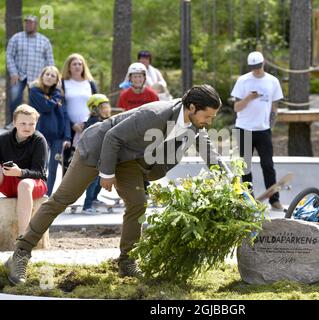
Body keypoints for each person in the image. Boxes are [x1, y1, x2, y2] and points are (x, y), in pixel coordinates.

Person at [4, 84, 231, 285]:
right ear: (192, 107)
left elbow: (208, 151)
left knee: (138, 203)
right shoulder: (155, 114)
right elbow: (113, 137)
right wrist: (107, 173)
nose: (209, 122)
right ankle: (21, 253)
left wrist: (231, 181)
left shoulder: (194, 125)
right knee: (62, 200)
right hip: (98, 148)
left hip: (128, 158)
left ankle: (127, 261)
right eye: (208, 116)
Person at [231, 51, 284, 211]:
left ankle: (274, 200)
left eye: (258, 67)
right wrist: (248, 98)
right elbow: (236, 107)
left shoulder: (272, 81)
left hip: (263, 130)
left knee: (268, 165)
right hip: (244, 128)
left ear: (263, 64)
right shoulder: (243, 81)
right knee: (245, 167)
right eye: (253, 68)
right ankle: (248, 199)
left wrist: (270, 126)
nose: (256, 70)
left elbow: (274, 107)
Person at [0, 105, 48, 237]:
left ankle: (23, 237)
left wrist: (20, 172)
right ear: (14, 123)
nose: (27, 127)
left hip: (34, 185)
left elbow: (39, 172)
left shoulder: (39, 140)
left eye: (31, 124)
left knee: (25, 184)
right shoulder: (3, 139)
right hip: (9, 182)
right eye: (23, 123)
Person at [6, 15, 54, 129]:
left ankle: (35, 124)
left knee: (37, 101)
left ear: (36, 25)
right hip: (20, 75)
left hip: (38, 77)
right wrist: (13, 72)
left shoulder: (44, 41)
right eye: (26, 23)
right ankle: (14, 124)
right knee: (15, 99)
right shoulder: (16, 38)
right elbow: (9, 56)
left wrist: (49, 76)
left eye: (31, 23)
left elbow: (50, 60)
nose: (28, 25)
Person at [29, 66, 71, 196]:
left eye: (53, 76)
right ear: (42, 76)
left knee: (53, 168)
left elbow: (65, 116)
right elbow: (45, 107)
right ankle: (37, 193)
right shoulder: (35, 91)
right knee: (41, 166)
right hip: (41, 135)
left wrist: (67, 137)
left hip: (58, 137)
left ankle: (47, 195)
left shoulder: (59, 96)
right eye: (47, 74)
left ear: (56, 81)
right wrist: (56, 99)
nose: (49, 77)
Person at [61, 53, 97, 174]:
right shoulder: (63, 83)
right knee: (67, 163)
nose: (77, 66)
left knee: (88, 162)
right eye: (74, 64)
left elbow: (97, 106)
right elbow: (61, 107)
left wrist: (86, 123)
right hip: (69, 128)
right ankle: (66, 191)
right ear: (69, 67)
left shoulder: (90, 83)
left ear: (83, 66)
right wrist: (72, 124)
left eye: (80, 64)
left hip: (87, 126)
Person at [81, 94, 112, 215]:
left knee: (100, 179)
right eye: (103, 107)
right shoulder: (93, 122)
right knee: (93, 180)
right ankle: (87, 206)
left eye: (107, 107)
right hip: (94, 156)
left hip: (102, 155)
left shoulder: (103, 120)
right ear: (94, 109)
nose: (106, 110)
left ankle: (94, 199)